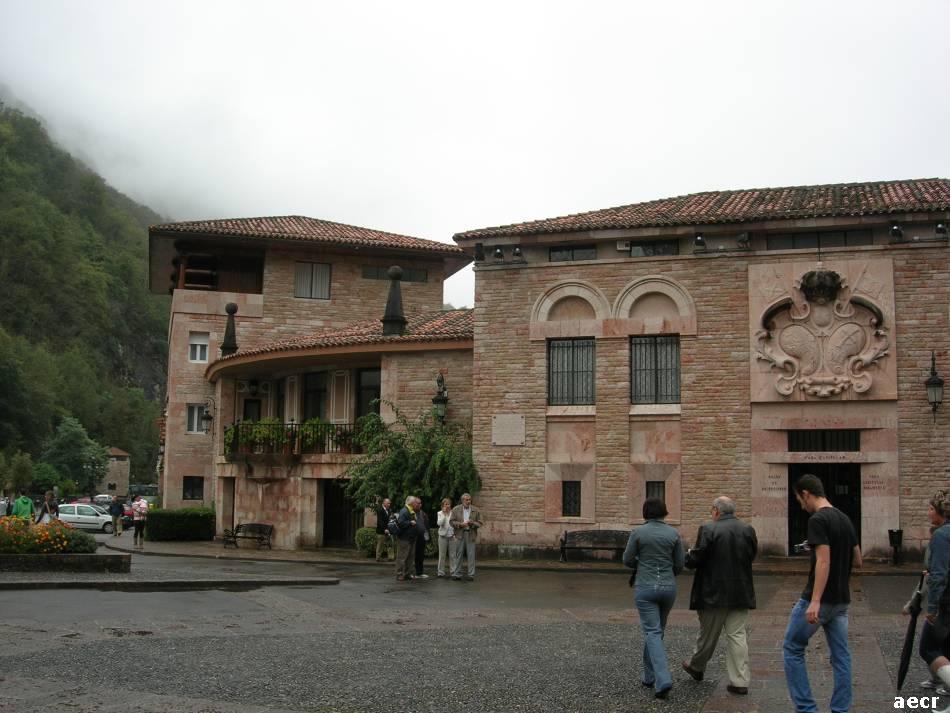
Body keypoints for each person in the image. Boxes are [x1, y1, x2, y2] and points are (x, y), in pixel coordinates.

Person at [783, 473, 861, 713]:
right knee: (841, 656)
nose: (801, 505)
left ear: (806, 494)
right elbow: (858, 560)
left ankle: (806, 708)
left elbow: (823, 561)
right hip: (841, 601)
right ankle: (841, 709)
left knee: (792, 648)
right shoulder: (844, 518)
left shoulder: (817, 520)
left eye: (799, 500)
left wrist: (814, 601)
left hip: (820, 599)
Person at [682, 496, 757, 695]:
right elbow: (751, 555)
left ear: (716, 510)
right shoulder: (748, 529)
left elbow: (697, 558)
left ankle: (697, 667)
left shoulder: (708, 529)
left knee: (708, 635)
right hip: (740, 591)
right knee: (737, 636)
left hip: (711, 592)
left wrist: (687, 555)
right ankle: (740, 680)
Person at [623, 497, 685, 700]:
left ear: (645, 513)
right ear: (664, 512)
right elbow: (679, 564)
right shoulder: (674, 533)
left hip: (646, 587)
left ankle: (662, 678)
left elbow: (627, 560)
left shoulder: (638, 533)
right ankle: (649, 676)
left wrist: (641, 562)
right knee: (657, 632)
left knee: (652, 631)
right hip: (668, 588)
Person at [917, 489, 950, 708]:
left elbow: (939, 575)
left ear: (941, 512)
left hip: (947, 601)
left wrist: (932, 608)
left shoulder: (941, 535)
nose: (928, 513)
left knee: (927, 647)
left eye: (930, 509)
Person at [450, 493, 483, 581]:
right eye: (466, 500)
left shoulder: (476, 510)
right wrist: (460, 524)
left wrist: (472, 523)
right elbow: (451, 522)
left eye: (469, 500)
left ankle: (471, 575)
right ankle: (457, 574)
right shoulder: (456, 509)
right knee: (459, 554)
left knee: (471, 555)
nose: (469, 501)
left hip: (470, 534)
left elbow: (480, 523)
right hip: (460, 534)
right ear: (462, 500)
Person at [393, 495, 418, 581]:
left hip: (411, 538)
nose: (416, 503)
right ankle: (399, 574)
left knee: (410, 557)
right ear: (410, 503)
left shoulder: (411, 510)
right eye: (415, 502)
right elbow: (400, 523)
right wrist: (410, 522)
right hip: (404, 538)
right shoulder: (404, 511)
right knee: (402, 557)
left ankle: (407, 574)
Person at [436, 498, 455, 577]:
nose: (447, 506)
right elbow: (439, 523)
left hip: (452, 536)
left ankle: (453, 571)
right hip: (442, 536)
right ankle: (440, 572)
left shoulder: (453, 513)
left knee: (453, 555)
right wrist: (444, 514)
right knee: (442, 555)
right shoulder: (440, 513)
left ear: (450, 505)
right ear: (442, 506)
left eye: (448, 504)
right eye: (445, 504)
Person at [412, 497, 430, 579]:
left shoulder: (423, 513)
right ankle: (409, 573)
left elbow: (426, 526)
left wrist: (427, 536)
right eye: (418, 503)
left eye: (420, 503)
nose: (419, 505)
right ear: (413, 503)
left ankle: (419, 572)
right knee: (411, 556)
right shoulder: (411, 513)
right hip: (412, 537)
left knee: (420, 556)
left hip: (421, 538)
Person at [375, 497, 393, 562]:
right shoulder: (380, 510)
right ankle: (378, 557)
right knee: (380, 544)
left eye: (389, 503)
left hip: (388, 530)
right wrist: (384, 529)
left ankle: (391, 557)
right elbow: (380, 521)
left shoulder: (389, 510)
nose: (389, 504)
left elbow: (390, 520)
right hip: (381, 531)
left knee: (390, 543)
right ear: (384, 503)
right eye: (388, 503)